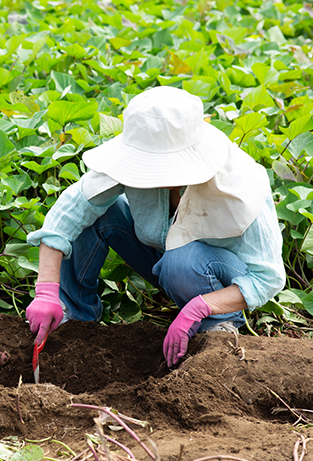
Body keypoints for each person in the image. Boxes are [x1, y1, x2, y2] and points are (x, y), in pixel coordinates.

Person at [25, 86, 286, 367]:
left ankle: (218, 326)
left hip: (210, 278)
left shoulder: (241, 183)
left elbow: (267, 278)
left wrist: (200, 308)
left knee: (182, 261)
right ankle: (75, 319)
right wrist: (47, 290)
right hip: (162, 262)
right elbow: (71, 210)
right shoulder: (131, 160)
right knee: (101, 211)